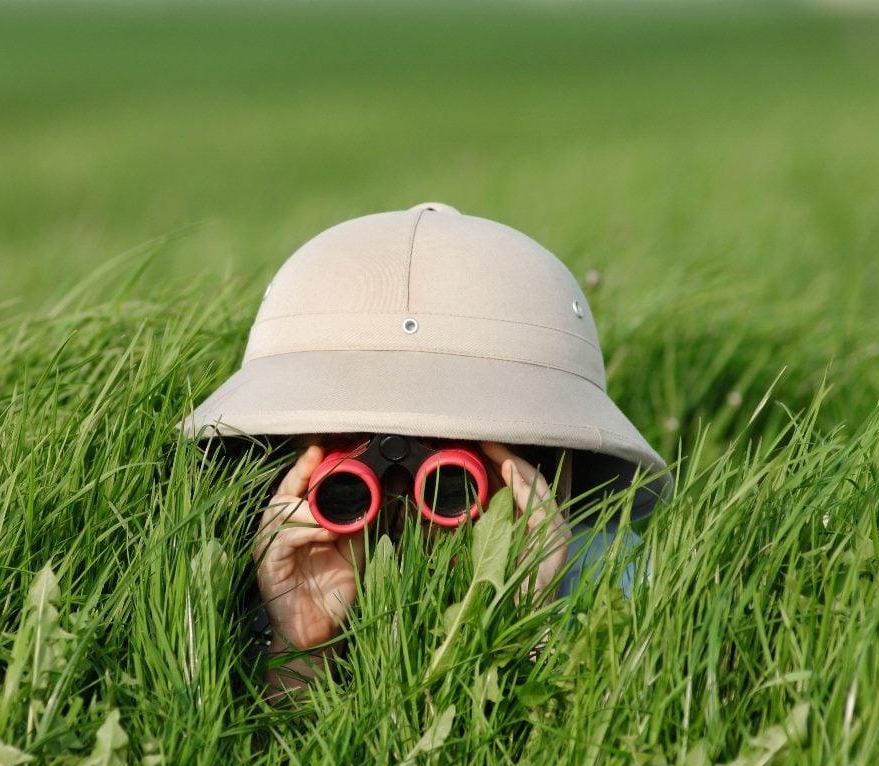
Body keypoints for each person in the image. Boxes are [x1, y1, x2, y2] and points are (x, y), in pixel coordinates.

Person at [182, 202, 670, 695]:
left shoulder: (616, 578)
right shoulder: (239, 589)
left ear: (538, 460)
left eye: (450, 480)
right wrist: (301, 643)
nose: (402, 496)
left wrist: (523, 620)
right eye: (351, 474)